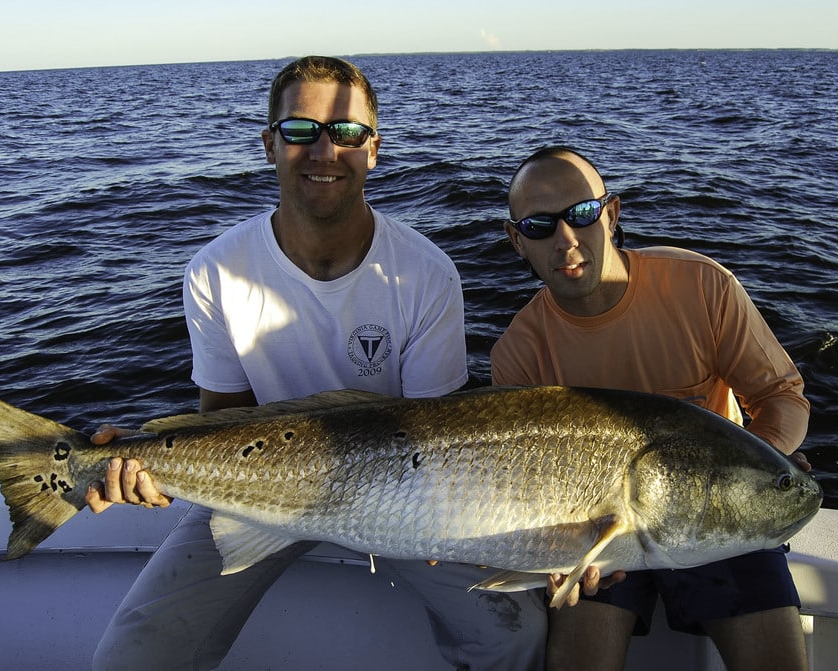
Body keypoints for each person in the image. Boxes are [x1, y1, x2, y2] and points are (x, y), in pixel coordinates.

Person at [85, 56, 546, 671]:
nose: (325, 150)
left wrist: (440, 524)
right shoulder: (215, 271)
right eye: (301, 130)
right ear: (270, 144)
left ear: (373, 150)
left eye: (347, 133)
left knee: (513, 632)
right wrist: (153, 468)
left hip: (403, 501)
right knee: (130, 656)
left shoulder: (427, 273)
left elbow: (441, 438)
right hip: (258, 497)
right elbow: (224, 417)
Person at [491, 146, 812, 671]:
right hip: (597, 533)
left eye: (582, 214)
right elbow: (524, 487)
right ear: (516, 240)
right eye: (540, 225)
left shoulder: (702, 287)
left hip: (717, 520)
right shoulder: (519, 352)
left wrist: (762, 460)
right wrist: (547, 556)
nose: (566, 239)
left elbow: (781, 396)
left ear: (611, 215)